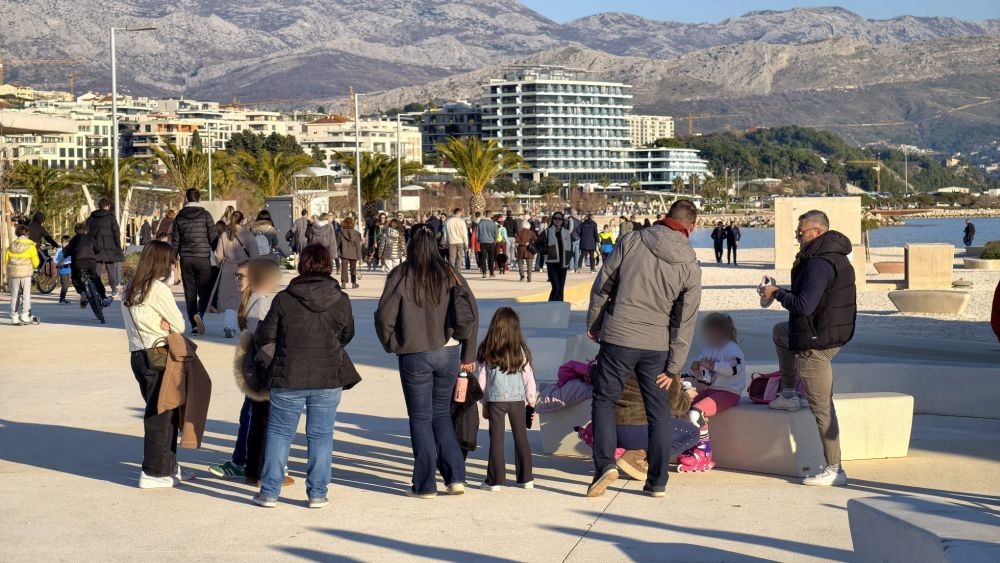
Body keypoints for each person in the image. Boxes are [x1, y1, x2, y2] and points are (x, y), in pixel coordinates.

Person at [585, 200, 702, 498]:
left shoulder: (632, 240)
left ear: (665, 217)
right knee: (659, 411)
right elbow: (685, 321)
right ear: (692, 227)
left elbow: (603, 284)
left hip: (619, 336)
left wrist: (595, 322)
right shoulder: (690, 265)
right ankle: (657, 482)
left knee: (604, 400)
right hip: (657, 344)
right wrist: (674, 366)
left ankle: (605, 464)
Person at [251, 244, 360, 509]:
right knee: (321, 435)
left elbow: (265, 335)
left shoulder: (284, 299)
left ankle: (269, 492)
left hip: (288, 374)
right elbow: (347, 334)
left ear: (302, 265)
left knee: (280, 433)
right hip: (327, 376)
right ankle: (317, 493)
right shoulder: (341, 299)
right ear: (328, 265)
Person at [375, 225, 479, 498]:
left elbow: (384, 316)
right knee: (441, 415)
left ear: (410, 245)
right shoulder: (450, 273)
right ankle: (456, 478)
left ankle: (425, 485)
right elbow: (471, 312)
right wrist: (468, 353)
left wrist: (392, 343)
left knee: (420, 418)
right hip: (448, 351)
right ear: (436, 245)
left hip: (414, 353)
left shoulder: (401, 274)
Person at [760, 210, 857, 487]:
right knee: (781, 332)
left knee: (822, 407)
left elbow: (803, 305)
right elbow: (811, 297)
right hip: (827, 332)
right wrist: (781, 292)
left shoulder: (819, 263)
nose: (797, 237)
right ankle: (789, 393)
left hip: (817, 343)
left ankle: (835, 469)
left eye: (800, 232)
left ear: (817, 232)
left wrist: (777, 294)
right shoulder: (831, 256)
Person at [209, 258, 292, 486]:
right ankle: (264, 469)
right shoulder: (264, 302)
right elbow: (268, 338)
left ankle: (251, 467)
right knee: (266, 421)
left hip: (253, 368)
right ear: (269, 278)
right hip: (265, 368)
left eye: (241, 276)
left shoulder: (250, 299)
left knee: (255, 418)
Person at [121, 240, 191, 488]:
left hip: (138, 356)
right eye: (172, 262)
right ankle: (154, 473)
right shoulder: (158, 289)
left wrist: (163, 322)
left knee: (162, 412)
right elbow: (180, 325)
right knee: (162, 415)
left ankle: (169, 467)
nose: (173, 266)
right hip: (159, 356)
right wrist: (166, 324)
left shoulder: (131, 286)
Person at [476, 307, 538, 491]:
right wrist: (531, 402)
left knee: (496, 439)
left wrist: (483, 402)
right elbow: (528, 377)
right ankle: (526, 478)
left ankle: (495, 481)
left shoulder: (487, 350)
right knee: (521, 438)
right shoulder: (521, 351)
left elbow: (482, 379)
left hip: (495, 401)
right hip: (517, 401)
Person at [679, 313, 747, 473]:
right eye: (708, 334)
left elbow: (734, 369)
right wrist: (695, 369)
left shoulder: (731, 348)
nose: (710, 338)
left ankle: (704, 452)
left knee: (695, 413)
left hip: (729, 392)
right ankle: (691, 445)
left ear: (724, 333)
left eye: (713, 334)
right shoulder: (708, 348)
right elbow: (702, 375)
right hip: (712, 390)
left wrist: (713, 366)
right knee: (682, 407)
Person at [171, 188, 218, 336]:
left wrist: (173, 258)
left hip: (186, 259)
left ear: (186, 198)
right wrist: (219, 253)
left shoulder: (179, 217)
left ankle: (194, 324)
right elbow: (213, 237)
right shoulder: (206, 215)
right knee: (205, 291)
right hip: (203, 258)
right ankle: (200, 315)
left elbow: (175, 240)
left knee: (190, 292)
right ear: (199, 198)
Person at [216, 211, 259, 338]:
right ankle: (241, 326)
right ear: (243, 220)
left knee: (230, 299)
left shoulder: (224, 235)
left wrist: (222, 265)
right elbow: (255, 256)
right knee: (242, 298)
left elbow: (218, 256)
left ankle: (229, 325)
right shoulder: (248, 235)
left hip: (228, 268)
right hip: (244, 269)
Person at [65, 223, 111, 309]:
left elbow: (66, 251)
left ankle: (82, 292)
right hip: (90, 261)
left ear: (75, 231)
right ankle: (104, 298)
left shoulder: (73, 240)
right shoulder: (90, 238)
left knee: (75, 278)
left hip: (77, 263)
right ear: (86, 230)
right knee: (96, 278)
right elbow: (97, 248)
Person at [87, 198, 126, 297]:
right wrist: (118, 246)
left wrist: (92, 245)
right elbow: (116, 232)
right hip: (110, 247)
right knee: (110, 270)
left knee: (97, 270)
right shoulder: (111, 217)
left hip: (97, 248)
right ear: (107, 206)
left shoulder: (92, 217)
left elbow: (89, 233)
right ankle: (113, 290)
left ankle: (95, 290)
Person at [5, 224, 41, 325]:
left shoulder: (11, 245)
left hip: (14, 274)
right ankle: (25, 316)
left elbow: (6, 260)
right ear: (27, 233)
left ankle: (14, 317)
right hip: (26, 274)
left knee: (14, 295)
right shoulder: (31, 246)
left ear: (17, 233)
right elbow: (36, 262)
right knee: (26, 295)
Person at [544, 212, 574, 301]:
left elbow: (570, 247)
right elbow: (538, 244)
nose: (557, 220)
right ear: (552, 220)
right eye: (555, 218)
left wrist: (568, 258)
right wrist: (547, 251)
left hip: (563, 264)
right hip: (552, 263)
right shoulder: (547, 232)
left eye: (560, 219)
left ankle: (560, 308)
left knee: (561, 289)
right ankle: (550, 307)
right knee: (556, 288)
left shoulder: (566, 232)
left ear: (562, 221)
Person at [337, 216, 364, 289]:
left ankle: (343, 283)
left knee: (344, 268)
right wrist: (359, 257)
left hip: (343, 253)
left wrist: (337, 252)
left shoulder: (340, 232)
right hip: (353, 254)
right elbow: (358, 246)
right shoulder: (356, 233)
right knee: (353, 268)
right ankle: (354, 283)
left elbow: (337, 243)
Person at [445, 208, 469, 272]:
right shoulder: (461, 222)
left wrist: (446, 241)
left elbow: (446, 233)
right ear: (458, 213)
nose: (461, 215)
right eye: (461, 213)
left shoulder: (448, 222)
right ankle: (458, 272)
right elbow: (464, 234)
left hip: (451, 241)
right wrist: (466, 243)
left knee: (451, 258)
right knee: (459, 258)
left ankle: (452, 272)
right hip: (460, 242)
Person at [476, 211, 499, 278]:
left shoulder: (480, 223)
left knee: (483, 257)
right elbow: (496, 233)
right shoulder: (493, 224)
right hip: (491, 242)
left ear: (484, 215)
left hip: (483, 242)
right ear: (490, 215)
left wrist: (478, 240)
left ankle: (484, 273)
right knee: (491, 258)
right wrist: (494, 240)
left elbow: (477, 233)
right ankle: (491, 273)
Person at [55, 235, 73, 305]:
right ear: (61, 242)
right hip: (62, 270)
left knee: (66, 285)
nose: (66, 244)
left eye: (67, 242)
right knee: (64, 285)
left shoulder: (70, 250)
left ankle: (63, 298)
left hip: (68, 269)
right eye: (64, 242)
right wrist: (61, 264)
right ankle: (61, 299)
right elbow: (55, 260)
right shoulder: (60, 250)